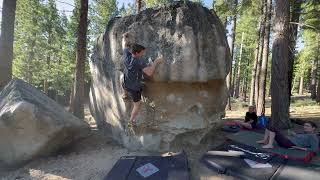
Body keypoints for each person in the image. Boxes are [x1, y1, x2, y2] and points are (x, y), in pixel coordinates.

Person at [122, 32, 164, 127]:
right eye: (142, 52)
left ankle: (124, 94)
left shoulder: (126, 55)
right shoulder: (139, 62)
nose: (143, 53)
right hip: (134, 87)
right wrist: (156, 62)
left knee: (122, 78)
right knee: (138, 104)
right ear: (136, 53)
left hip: (125, 82)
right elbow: (149, 72)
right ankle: (131, 121)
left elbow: (124, 44)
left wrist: (124, 37)